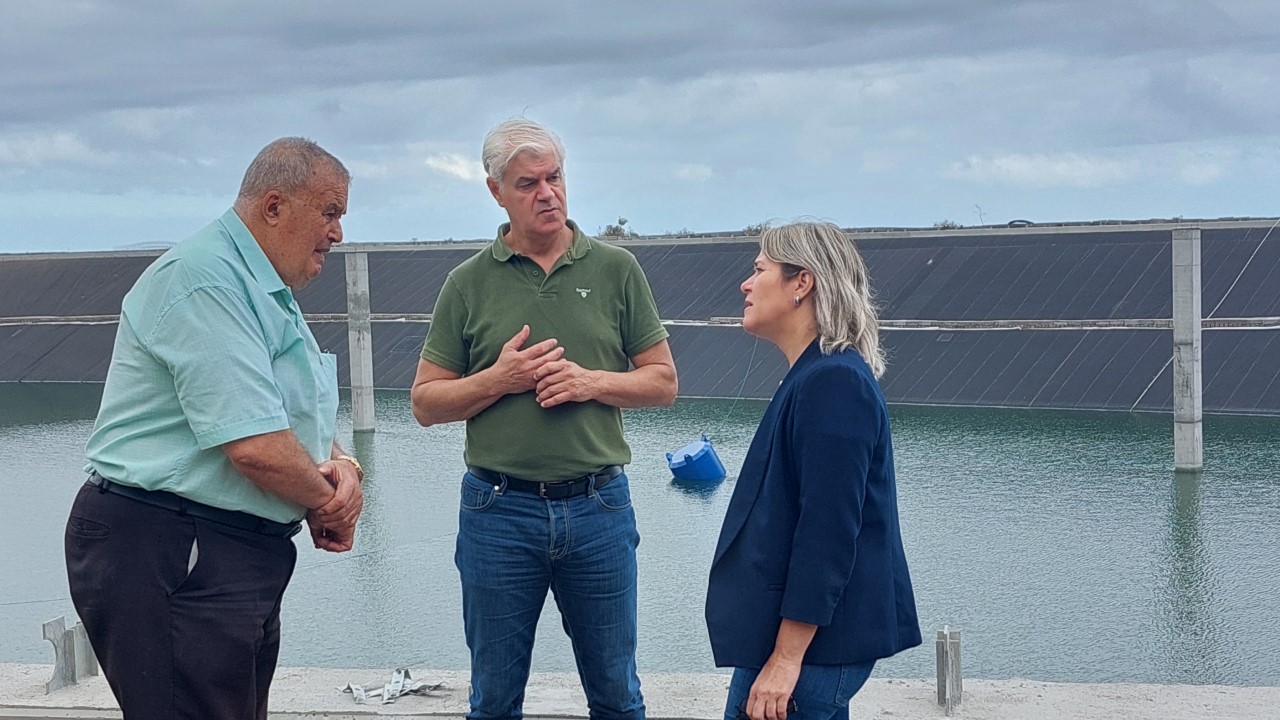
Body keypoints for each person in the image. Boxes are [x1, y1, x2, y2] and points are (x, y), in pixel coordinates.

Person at [64, 137, 365, 720]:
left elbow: (289, 419)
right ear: (273, 206)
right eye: (329, 214)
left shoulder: (261, 288)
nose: (337, 234)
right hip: (170, 544)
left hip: (217, 551)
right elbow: (254, 447)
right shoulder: (206, 281)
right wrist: (333, 504)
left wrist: (345, 467)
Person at [411, 117, 677, 720]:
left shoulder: (617, 270)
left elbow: (663, 382)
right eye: (528, 183)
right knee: (495, 700)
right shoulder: (467, 283)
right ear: (495, 191)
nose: (547, 193)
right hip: (497, 511)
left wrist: (590, 382)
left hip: (599, 506)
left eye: (554, 177)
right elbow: (426, 404)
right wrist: (498, 380)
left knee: (616, 694)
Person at [705, 221, 920, 720]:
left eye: (759, 269)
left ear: (802, 283)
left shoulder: (833, 384)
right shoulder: (815, 375)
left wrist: (785, 659)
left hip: (815, 649)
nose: (746, 283)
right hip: (807, 644)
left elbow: (827, 534)